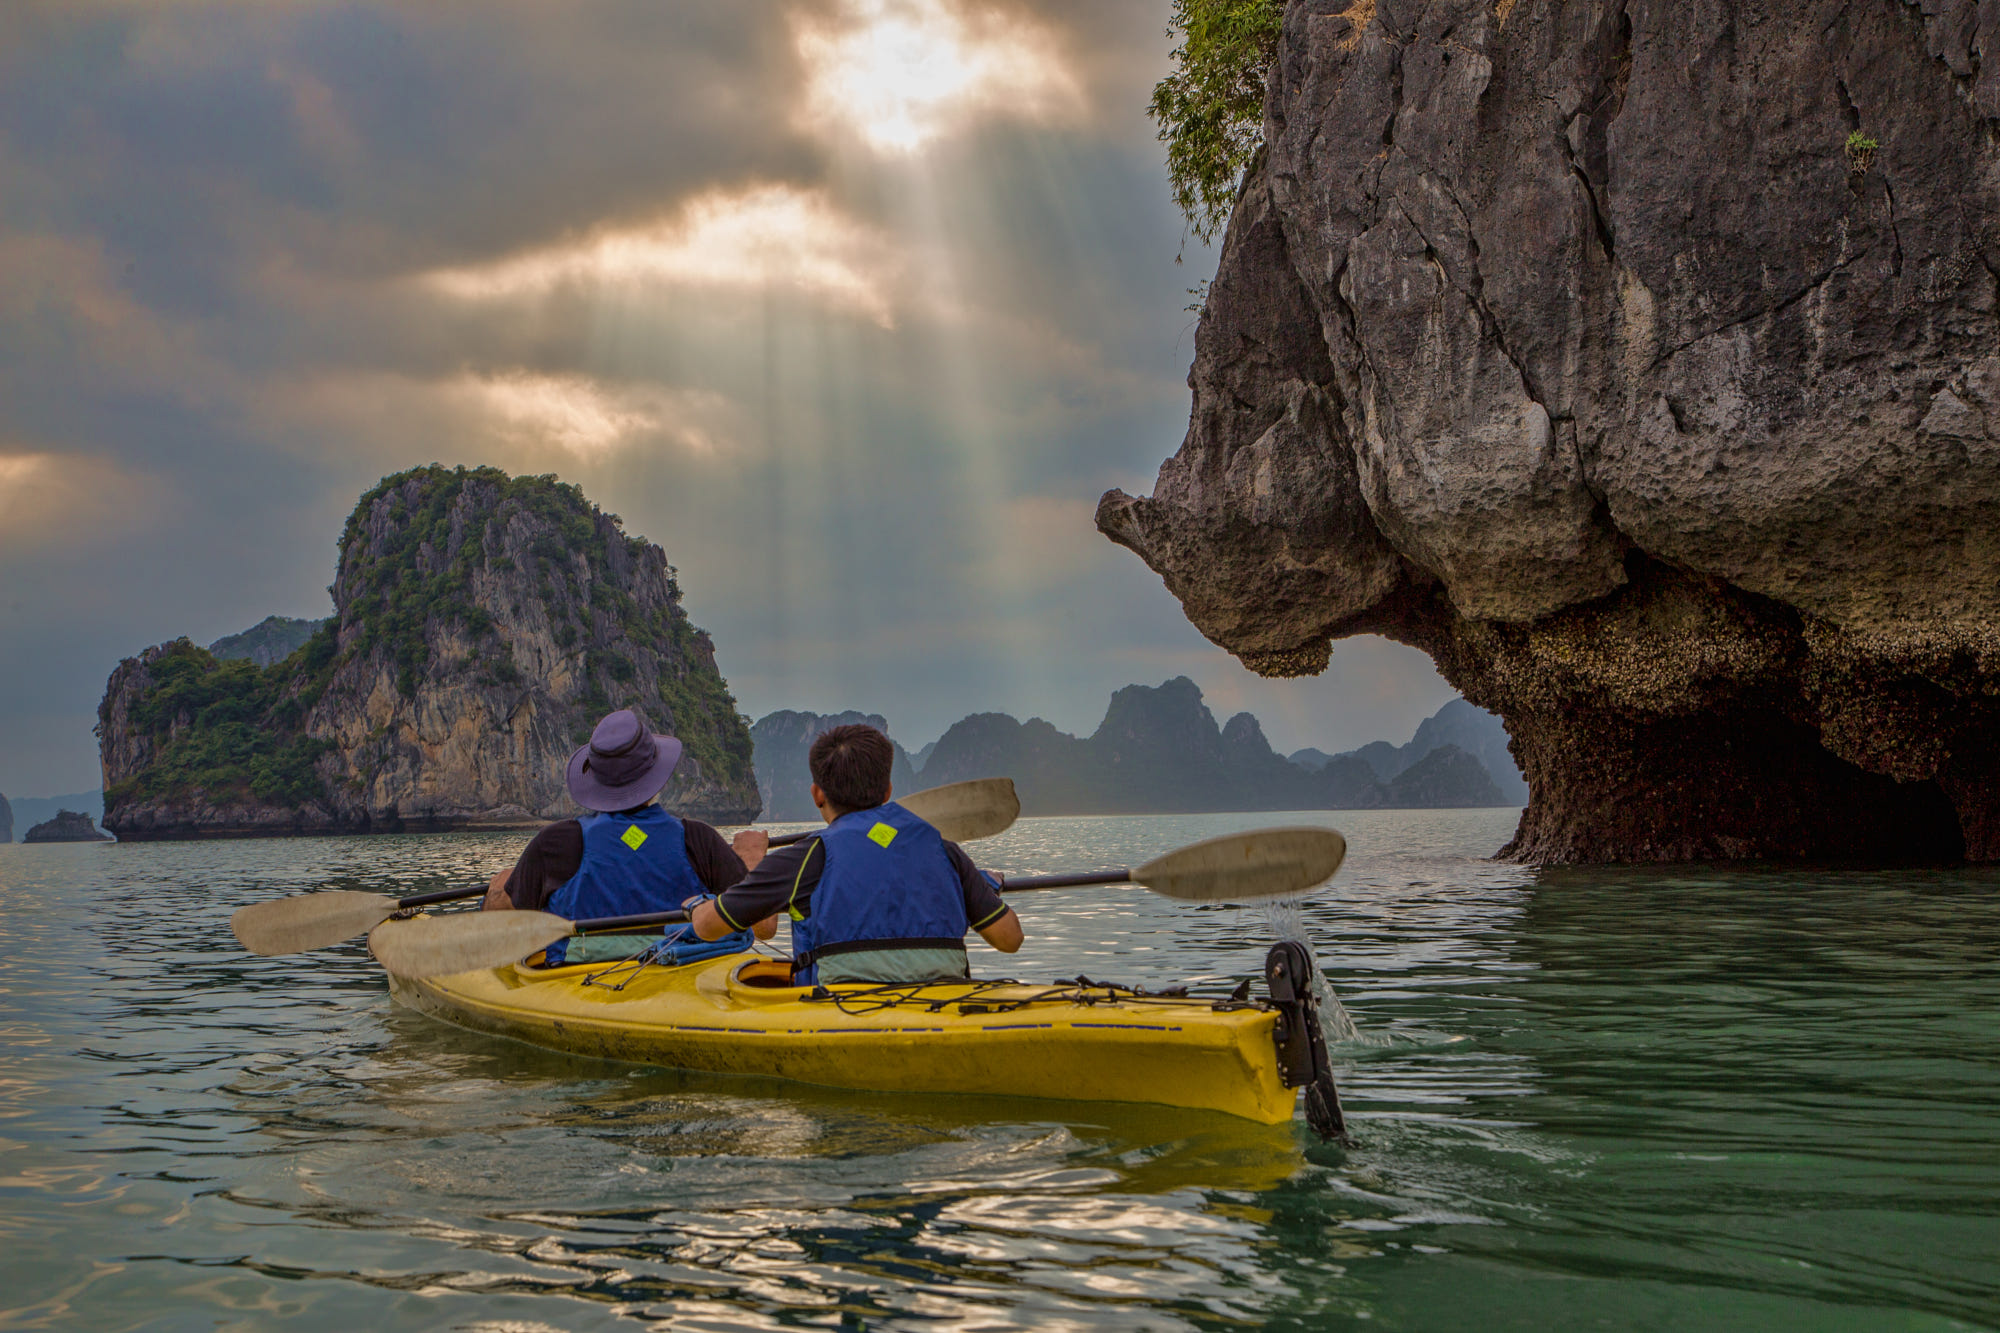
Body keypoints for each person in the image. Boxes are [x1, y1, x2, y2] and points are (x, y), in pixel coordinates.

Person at [688, 723, 1022, 984]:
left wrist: (747, 863)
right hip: (941, 1006)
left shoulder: (806, 858)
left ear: (817, 794)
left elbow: (708, 928)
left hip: (839, 1009)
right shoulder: (946, 853)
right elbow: (1009, 939)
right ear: (888, 790)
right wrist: (978, 888)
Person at [483, 707, 771, 965]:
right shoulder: (699, 840)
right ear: (656, 775)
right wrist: (752, 858)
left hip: (577, 982)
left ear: (594, 778)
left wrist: (505, 886)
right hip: (679, 984)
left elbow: (497, 922)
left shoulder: (554, 844)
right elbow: (765, 926)